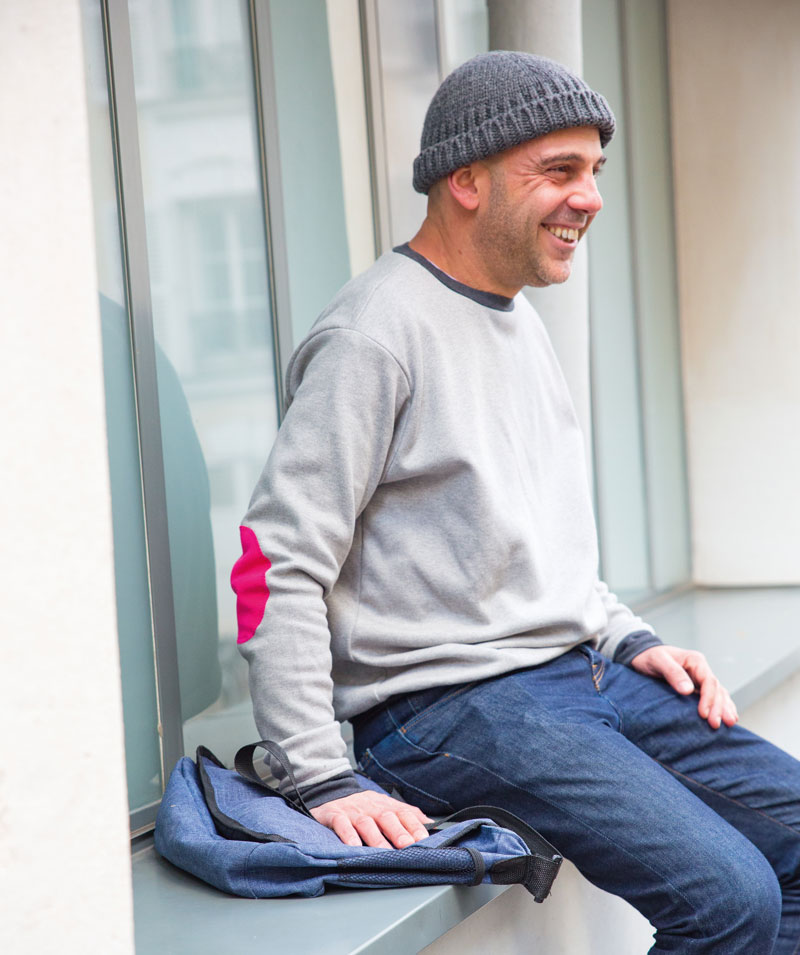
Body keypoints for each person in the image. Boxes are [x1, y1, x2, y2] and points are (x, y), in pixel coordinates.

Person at [231, 52, 800, 952]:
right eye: (559, 171)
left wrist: (630, 638)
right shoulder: (374, 334)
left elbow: (538, 540)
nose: (591, 198)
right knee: (729, 898)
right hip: (447, 708)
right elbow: (271, 564)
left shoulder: (515, 316)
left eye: (595, 171)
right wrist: (320, 774)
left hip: (577, 672)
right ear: (467, 180)